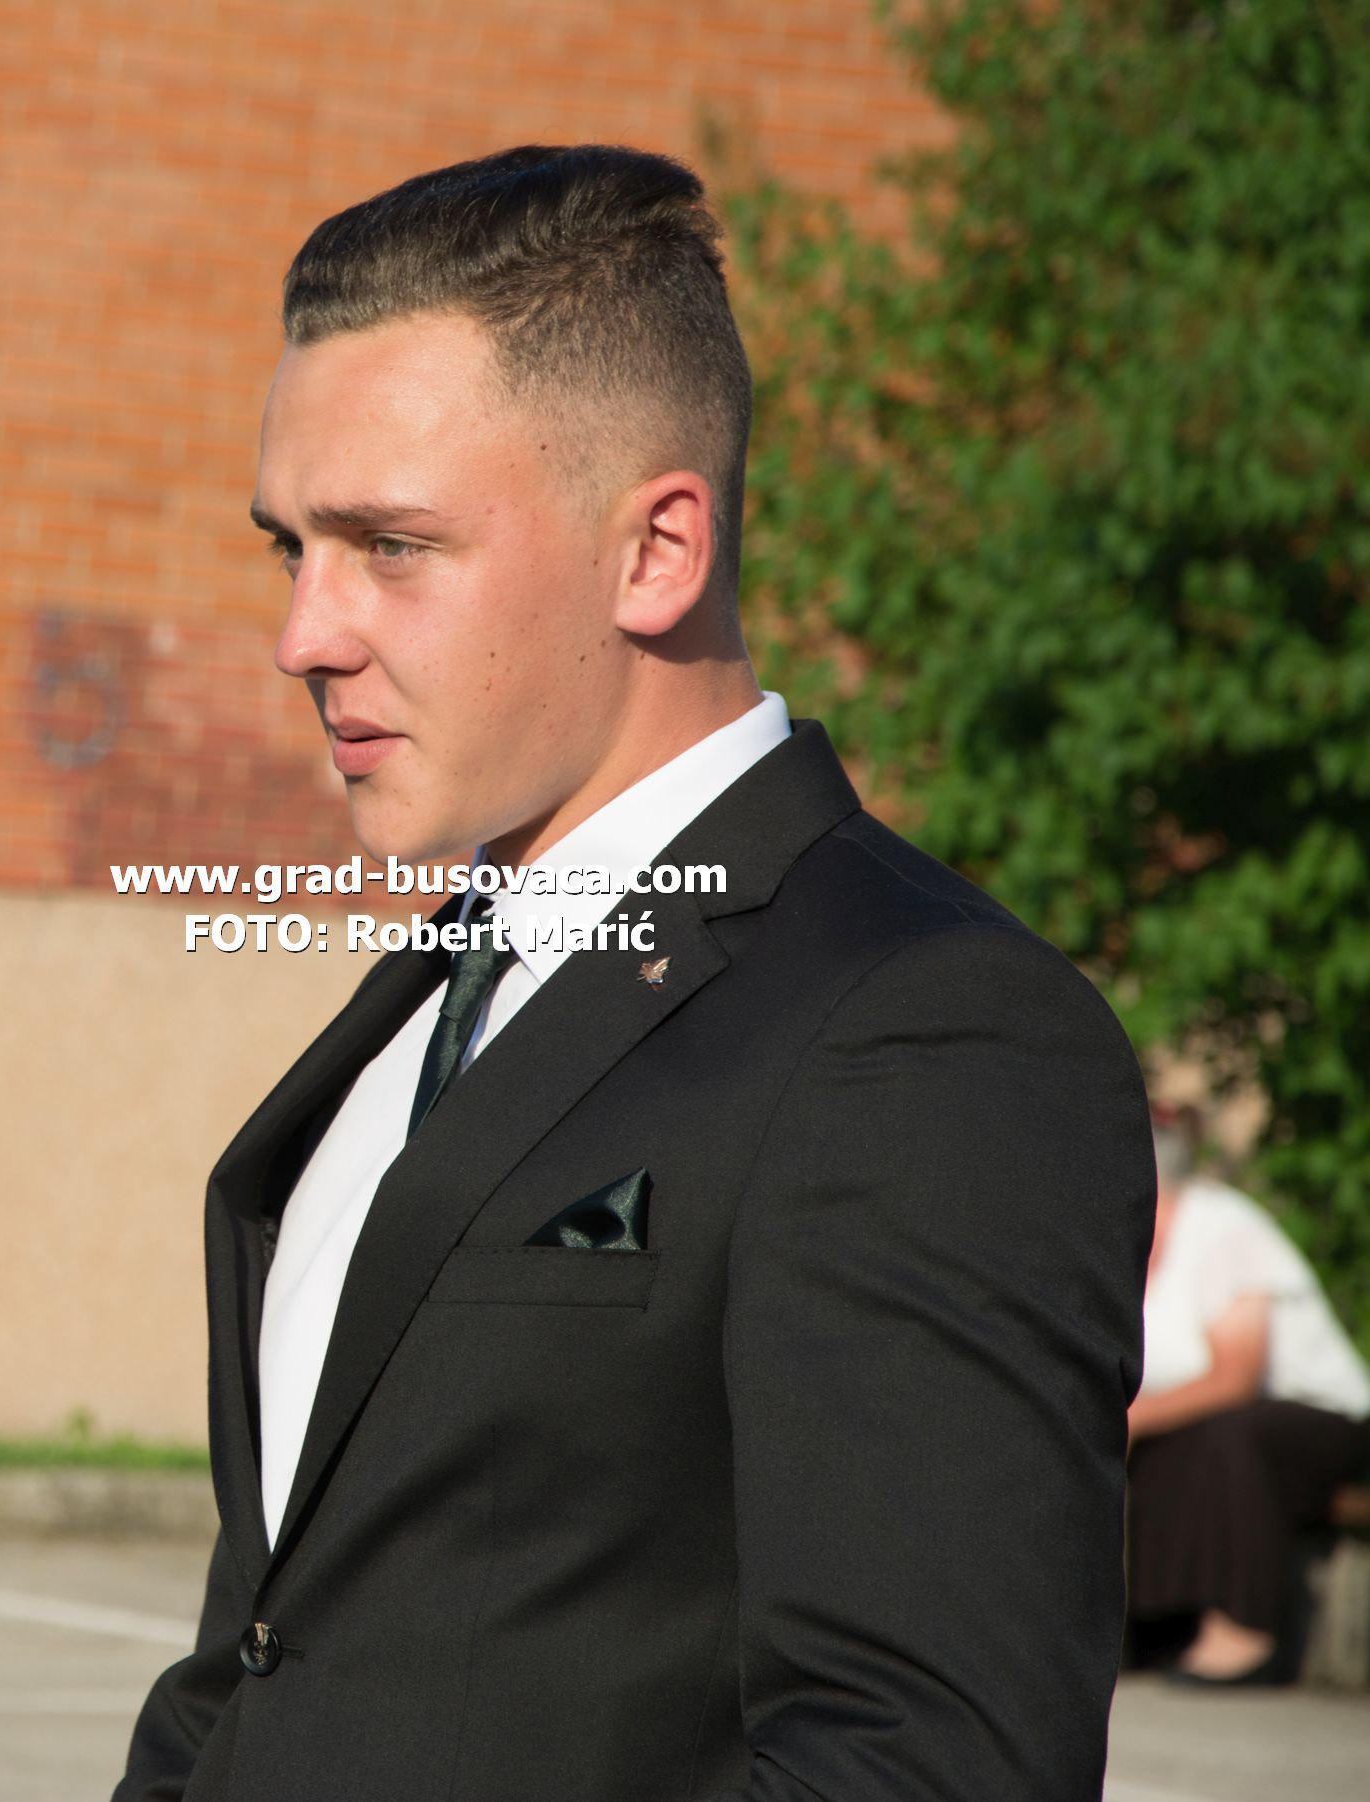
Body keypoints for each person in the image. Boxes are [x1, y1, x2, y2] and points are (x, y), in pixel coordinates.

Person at [114, 145, 1154, 1802]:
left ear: (658, 550)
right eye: (289, 548)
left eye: (391, 544)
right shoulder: (435, 997)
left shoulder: (924, 1031)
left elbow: (927, 1767)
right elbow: (271, 1650)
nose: (304, 632)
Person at [1127, 1103, 1370, 1686]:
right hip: (1211, 1429)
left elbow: (1235, 1377)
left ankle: (1246, 1631)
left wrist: (1132, 1419)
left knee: (1224, 1436)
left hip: (1323, 1420)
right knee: (1172, 1448)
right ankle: (1154, 1625)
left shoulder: (1220, 1226)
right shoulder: (1118, 1250)